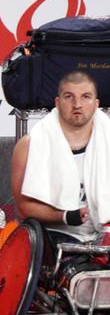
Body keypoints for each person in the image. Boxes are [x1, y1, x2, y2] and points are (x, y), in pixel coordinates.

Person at [11, 69, 110, 253]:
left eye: (86, 97)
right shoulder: (29, 145)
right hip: (53, 236)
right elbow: (23, 206)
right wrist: (65, 216)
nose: (77, 104)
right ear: (57, 102)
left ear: (97, 104)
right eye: (69, 97)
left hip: (103, 235)